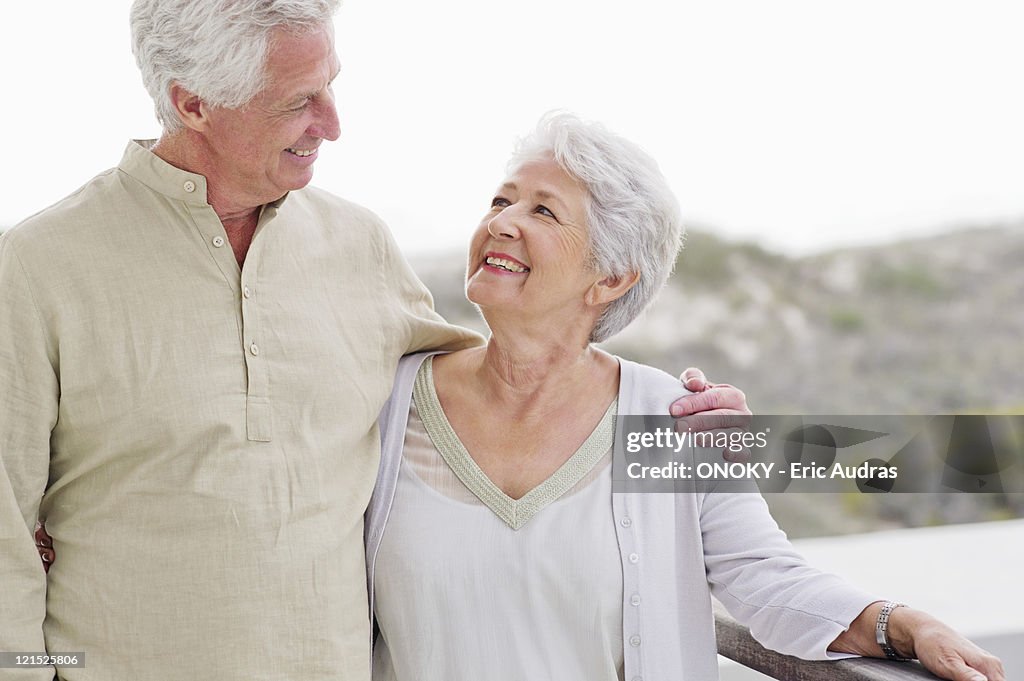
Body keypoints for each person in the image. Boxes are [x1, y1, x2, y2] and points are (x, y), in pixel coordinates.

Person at [0, 1, 748, 680]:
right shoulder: (38, 268)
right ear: (193, 103)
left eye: (330, 86)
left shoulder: (358, 246)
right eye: (299, 102)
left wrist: (696, 422)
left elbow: (522, 376)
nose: (331, 123)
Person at [362, 113, 1006, 681]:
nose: (502, 223)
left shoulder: (667, 421)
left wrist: (900, 623)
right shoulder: (388, 400)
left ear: (610, 278)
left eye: (542, 210)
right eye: (501, 201)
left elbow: (762, 576)